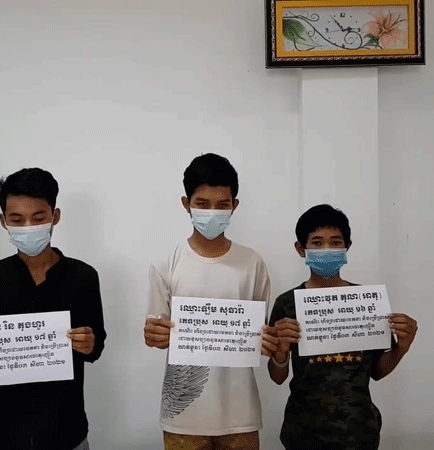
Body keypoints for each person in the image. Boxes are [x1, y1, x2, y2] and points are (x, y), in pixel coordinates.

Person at [143, 153, 276, 450]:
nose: (212, 213)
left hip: (240, 413)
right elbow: (155, 332)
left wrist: (269, 341)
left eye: (222, 204)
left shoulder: (252, 263)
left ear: (234, 205)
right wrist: (154, 335)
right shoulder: (166, 264)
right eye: (202, 204)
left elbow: (262, 334)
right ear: (186, 204)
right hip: (183, 416)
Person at [267, 204, 418, 450]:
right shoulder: (287, 303)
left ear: (347, 246)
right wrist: (281, 352)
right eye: (317, 243)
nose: (327, 249)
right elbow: (277, 377)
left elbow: (377, 371)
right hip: (303, 432)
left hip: (359, 431)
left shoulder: (367, 301)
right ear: (301, 249)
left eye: (335, 242)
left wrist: (402, 347)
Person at [0, 168, 106, 450]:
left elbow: (97, 345)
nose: (28, 227)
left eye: (38, 218)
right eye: (17, 219)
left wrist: (89, 343)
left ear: (55, 216)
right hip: (5, 432)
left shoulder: (83, 276)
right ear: (3, 221)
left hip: (66, 431)